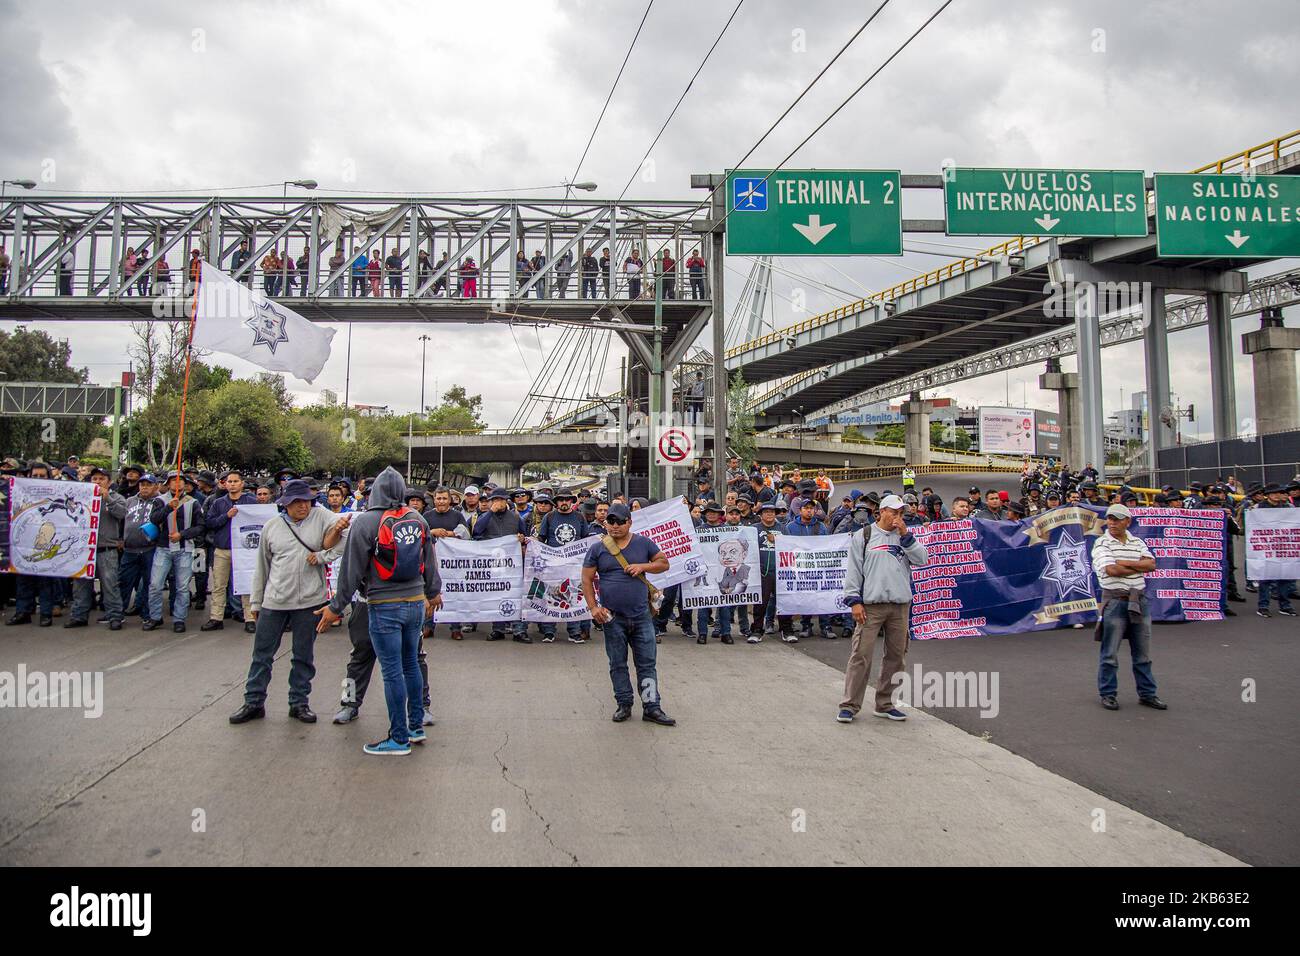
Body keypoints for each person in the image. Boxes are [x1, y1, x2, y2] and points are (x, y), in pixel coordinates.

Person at [316, 468, 442, 755]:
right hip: (414, 604)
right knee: (411, 663)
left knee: (389, 671)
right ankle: (415, 726)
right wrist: (432, 593)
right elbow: (430, 562)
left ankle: (397, 737)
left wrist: (335, 607)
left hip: (382, 605)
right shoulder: (418, 518)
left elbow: (350, 571)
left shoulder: (366, 522)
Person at [229, 480, 349, 726]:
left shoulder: (321, 516)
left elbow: (346, 539)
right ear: (285, 504)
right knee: (262, 654)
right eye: (296, 502)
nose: (303, 506)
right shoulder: (272, 526)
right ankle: (253, 701)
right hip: (275, 600)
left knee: (303, 656)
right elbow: (262, 566)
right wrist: (256, 602)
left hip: (310, 601)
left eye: (306, 500)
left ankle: (299, 702)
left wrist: (323, 556)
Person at [837, 494, 929, 723]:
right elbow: (854, 570)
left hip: (899, 606)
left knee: (896, 657)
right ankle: (850, 705)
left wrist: (906, 536)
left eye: (901, 513)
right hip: (871, 606)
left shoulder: (905, 537)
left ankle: (885, 703)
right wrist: (854, 601)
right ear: (882, 512)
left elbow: (922, 560)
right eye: (895, 512)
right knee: (861, 655)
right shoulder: (865, 535)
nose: (898, 517)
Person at [582, 503, 674, 725]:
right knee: (617, 663)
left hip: (641, 616)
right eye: (610, 522)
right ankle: (624, 704)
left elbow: (664, 563)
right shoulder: (598, 548)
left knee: (647, 663)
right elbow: (586, 579)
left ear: (629, 523)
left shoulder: (643, 543)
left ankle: (652, 707)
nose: (614, 526)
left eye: (619, 522)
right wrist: (594, 608)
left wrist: (643, 567)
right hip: (613, 618)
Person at [1092, 503, 1165, 711]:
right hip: (1115, 600)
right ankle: (1108, 693)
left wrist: (1124, 563)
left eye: (1117, 519)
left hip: (1138, 599)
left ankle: (1147, 693)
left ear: (1127, 521)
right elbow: (1111, 569)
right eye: (1110, 519)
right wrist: (1136, 567)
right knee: (1110, 653)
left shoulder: (1137, 541)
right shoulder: (1102, 543)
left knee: (1143, 653)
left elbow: (1151, 564)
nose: (1112, 523)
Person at [65, 467, 127, 630]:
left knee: (110, 584)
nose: (97, 482)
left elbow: (122, 514)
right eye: (94, 479)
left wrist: (107, 498)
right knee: (80, 584)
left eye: (101, 479)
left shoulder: (116, 497)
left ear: (109, 482)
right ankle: (79, 615)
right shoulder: (81, 498)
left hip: (106, 548)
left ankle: (115, 616)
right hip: (84, 549)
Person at [142, 471, 205, 633]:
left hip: (185, 548)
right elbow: (154, 519)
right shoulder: (160, 501)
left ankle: (179, 619)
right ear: (168, 484)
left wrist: (182, 535)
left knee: (182, 587)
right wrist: (168, 508)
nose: (177, 484)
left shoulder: (193, 502)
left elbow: (200, 526)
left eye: (180, 481)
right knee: (155, 585)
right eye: (173, 481)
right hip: (163, 548)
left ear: (185, 484)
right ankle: (155, 617)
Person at [201, 469, 259, 632]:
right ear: (225, 484)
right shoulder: (218, 503)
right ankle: (216, 617)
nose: (232, 484)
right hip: (223, 549)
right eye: (229, 482)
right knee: (219, 585)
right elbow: (210, 523)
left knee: (246, 585)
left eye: (235, 481)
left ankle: (250, 618)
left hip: (244, 550)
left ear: (242, 483)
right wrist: (226, 516)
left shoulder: (251, 501)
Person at [473, 487, 530, 643]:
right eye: (495, 500)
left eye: (501, 500)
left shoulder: (516, 518)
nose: (498, 503)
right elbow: (476, 532)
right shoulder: (485, 517)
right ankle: (497, 628)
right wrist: (490, 512)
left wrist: (521, 538)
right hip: (493, 564)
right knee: (496, 595)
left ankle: (519, 630)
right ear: (491, 501)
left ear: (506, 501)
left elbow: (524, 537)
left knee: (516, 594)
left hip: (512, 564)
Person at [117, 472, 164, 621]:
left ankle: (146, 613)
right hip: (129, 549)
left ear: (156, 486)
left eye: (148, 485)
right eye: (142, 484)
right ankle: (118, 613)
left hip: (150, 549)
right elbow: (121, 521)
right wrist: (120, 538)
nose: (144, 488)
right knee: (123, 581)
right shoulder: (130, 501)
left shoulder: (160, 501)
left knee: (148, 583)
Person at [1252, 484, 1297, 618]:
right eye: (1275, 493)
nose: (1278, 495)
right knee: (1266, 578)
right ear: (1268, 495)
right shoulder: (1258, 508)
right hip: (1266, 547)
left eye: (1280, 492)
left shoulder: (1288, 507)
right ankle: (1263, 606)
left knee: (1285, 577)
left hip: (1283, 547)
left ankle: (1285, 605)